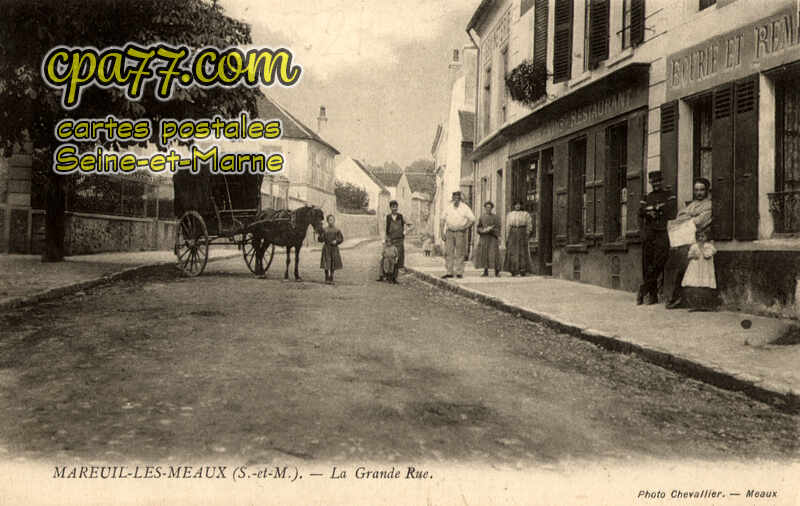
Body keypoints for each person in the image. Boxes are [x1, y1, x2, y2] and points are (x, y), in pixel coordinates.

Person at [666, 177, 713, 309]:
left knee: (700, 271)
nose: (699, 193)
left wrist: (689, 217)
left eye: (702, 190)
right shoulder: (691, 205)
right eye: (696, 190)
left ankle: (699, 302)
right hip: (686, 241)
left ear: (707, 191)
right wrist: (691, 217)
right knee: (682, 269)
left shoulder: (709, 205)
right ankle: (679, 299)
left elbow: (700, 222)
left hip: (701, 242)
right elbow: (679, 217)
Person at [636, 171, 676, 305]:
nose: (656, 184)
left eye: (658, 181)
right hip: (649, 234)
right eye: (653, 182)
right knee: (648, 263)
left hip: (663, 232)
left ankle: (643, 288)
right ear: (650, 182)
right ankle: (652, 296)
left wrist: (653, 210)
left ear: (662, 181)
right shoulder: (647, 197)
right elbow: (640, 212)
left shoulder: (668, 195)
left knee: (660, 260)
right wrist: (649, 214)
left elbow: (671, 211)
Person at [440, 191, 475, 279]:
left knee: (460, 252)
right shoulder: (448, 207)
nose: (456, 199)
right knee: (449, 252)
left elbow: (472, 219)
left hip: (460, 232)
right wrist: (442, 233)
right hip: (449, 232)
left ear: (460, 199)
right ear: (452, 198)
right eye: (454, 197)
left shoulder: (465, 207)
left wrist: (464, 227)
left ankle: (459, 272)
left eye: (458, 198)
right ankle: (449, 272)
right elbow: (442, 220)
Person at [681, 230, 718, 312]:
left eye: (703, 236)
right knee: (694, 284)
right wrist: (693, 255)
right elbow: (689, 255)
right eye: (699, 237)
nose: (701, 239)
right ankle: (695, 304)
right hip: (695, 268)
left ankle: (706, 305)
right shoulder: (694, 246)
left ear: (706, 237)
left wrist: (702, 249)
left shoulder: (709, 246)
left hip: (705, 268)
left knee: (705, 284)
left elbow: (707, 255)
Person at [504, 201, 534, 276]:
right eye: (516, 205)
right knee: (512, 251)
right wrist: (507, 236)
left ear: (521, 206)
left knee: (522, 250)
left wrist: (527, 233)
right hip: (513, 232)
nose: (517, 206)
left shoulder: (525, 214)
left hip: (522, 232)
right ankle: (513, 269)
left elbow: (529, 225)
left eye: (519, 205)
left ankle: (522, 269)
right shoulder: (510, 214)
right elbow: (507, 225)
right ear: (514, 206)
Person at [474, 201, 501, 277]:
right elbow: (478, 227)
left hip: (492, 237)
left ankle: (497, 271)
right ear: (485, 208)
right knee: (484, 253)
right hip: (484, 237)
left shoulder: (495, 217)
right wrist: (482, 230)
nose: (488, 209)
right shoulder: (482, 217)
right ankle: (485, 271)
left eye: (490, 207)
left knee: (494, 254)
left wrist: (492, 230)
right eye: (487, 207)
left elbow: (498, 227)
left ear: (492, 208)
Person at [319, 214, 343, 285]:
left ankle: (331, 277)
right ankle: (326, 277)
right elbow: (321, 240)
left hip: (334, 248)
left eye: (332, 220)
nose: (331, 221)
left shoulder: (337, 230)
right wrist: (320, 236)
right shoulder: (324, 230)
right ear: (327, 221)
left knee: (333, 263)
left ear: (334, 220)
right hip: (326, 248)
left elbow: (341, 238)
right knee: (326, 263)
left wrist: (337, 241)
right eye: (329, 220)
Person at [385, 201, 408, 271]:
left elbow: (411, 225)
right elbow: (385, 229)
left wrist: (405, 232)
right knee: (390, 256)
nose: (395, 208)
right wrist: (385, 239)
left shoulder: (401, 216)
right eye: (393, 207)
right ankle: (390, 272)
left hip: (399, 240)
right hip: (390, 240)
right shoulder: (388, 217)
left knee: (399, 255)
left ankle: (399, 270)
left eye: (396, 207)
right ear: (390, 208)